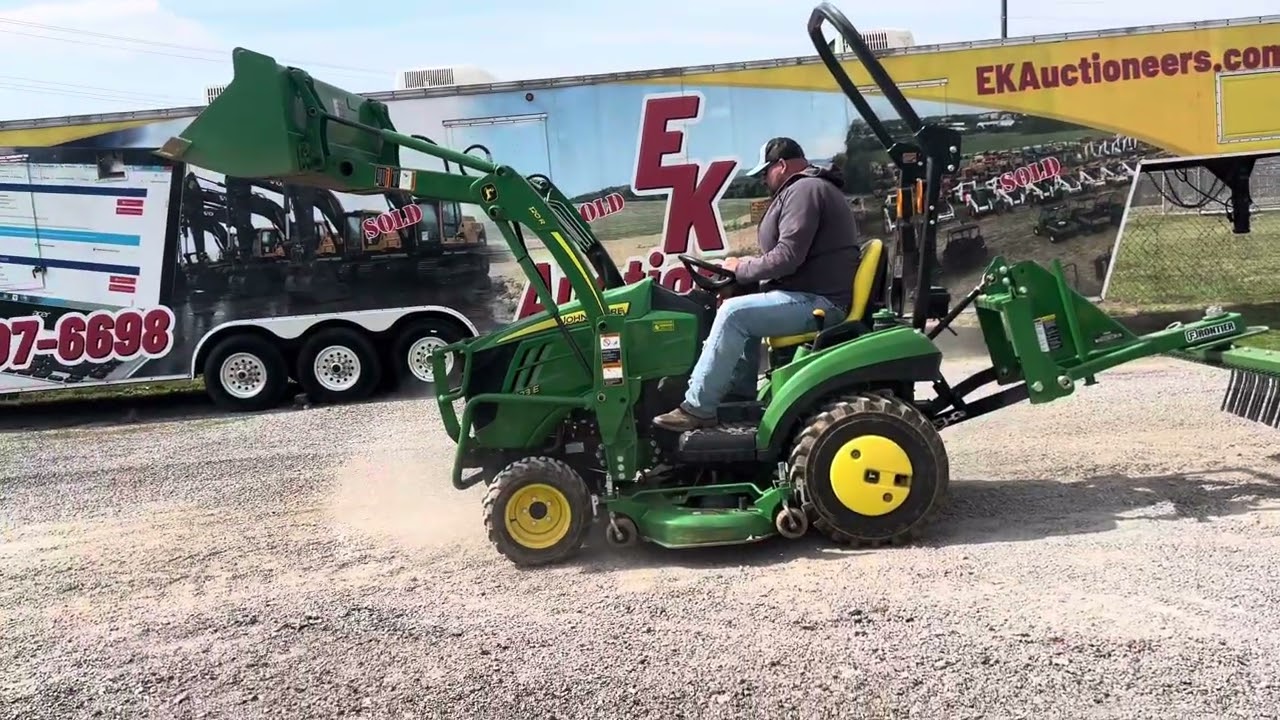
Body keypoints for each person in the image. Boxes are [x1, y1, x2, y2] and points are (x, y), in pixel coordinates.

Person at [653, 136, 862, 432]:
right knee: (737, 307)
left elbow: (787, 257)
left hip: (820, 302)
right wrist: (739, 275)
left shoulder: (805, 190)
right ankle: (738, 397)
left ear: (781, 165)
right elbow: (787, 256)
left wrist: (741, 269)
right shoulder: (806, 188)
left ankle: (697, 407)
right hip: (809, 293)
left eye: (765, 172)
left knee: (734, 314)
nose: (764, 179)